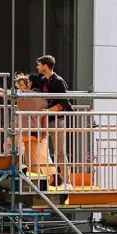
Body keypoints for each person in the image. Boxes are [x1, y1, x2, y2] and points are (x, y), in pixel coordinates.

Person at [37, 55, 72, 187]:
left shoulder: (58, 81)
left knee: (60, 153)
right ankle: (55, 178)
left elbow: (64, 103)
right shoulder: (44, 81)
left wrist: (47, 111)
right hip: (47, 121)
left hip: (57, 120)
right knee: (43, 150)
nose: (38, 67)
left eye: (39, 65)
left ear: (45, 66)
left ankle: (67, 181)